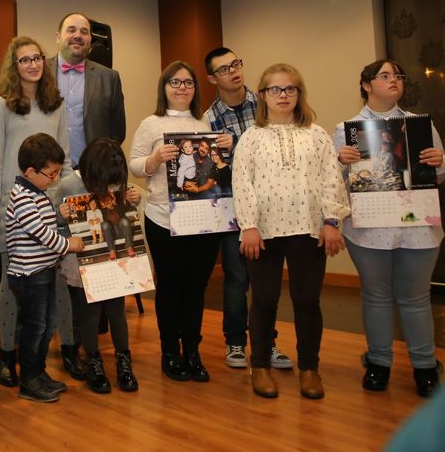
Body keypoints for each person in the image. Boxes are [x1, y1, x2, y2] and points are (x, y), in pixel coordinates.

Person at [333, 59, 445, 397]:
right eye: (384, 76)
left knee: (416, 298)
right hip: (368, 230)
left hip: (419, 228)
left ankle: (425, 367)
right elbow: (331, 181)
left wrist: (439, 163)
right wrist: (340, 163)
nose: (393, 80)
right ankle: (378, 363)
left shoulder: (419, 125)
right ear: (367, 84)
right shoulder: (347, 130)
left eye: (398, 76)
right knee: (376, 297)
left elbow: (440, 171)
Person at [232, 63, 349, 400]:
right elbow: (242, 185)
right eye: (275, 89)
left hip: (310, 230)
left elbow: (331, 179)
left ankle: (310, 368)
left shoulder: (317, 134)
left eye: (290, 89)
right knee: (265, 299)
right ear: (263, 95)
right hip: (264, 232)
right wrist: (249, 226)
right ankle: (261, 366)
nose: (283, 95)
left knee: (307, 300)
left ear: (299, 94)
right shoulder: (251, 138)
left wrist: (331, 222)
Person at [129, 61, 232, 383]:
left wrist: (227, 150)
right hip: (162, 218)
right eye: (175, 82)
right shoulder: (150, 124)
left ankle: (193, 351)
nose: (182, 87)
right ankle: (169, 351)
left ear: (195, 89)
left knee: (196, 288)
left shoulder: (206, 122)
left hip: (203, 219)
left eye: (188, 82)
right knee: (171, 286)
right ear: (164, 87)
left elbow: (218, 171)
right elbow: (134, 166)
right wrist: (155, 159)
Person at [0, 36, 75, 387]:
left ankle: (67, 349)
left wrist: (68, 202)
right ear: (15, 66)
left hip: (53, 207)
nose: (33, 64)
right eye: (25, 60)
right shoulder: (2, 106)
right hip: (14, 207)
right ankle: (7, 356)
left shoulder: (58, 105)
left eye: (37, 58)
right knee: (10, 284)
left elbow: (64, 159)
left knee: (59, 285)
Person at [203, 47, 292, 370]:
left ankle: (267, 343)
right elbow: (211, 171)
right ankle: (236, 342)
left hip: (271, 206)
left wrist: (237, 146)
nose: (234, 72)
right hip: (232, 208)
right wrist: (219, 151)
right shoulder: (209, 118)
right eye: (224, 69)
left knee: (266, 281)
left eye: (236, 64)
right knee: (237, 278)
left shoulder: (266, 103)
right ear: (213, 78)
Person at [55, 137, 141, 394]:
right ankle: (93, 360)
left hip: (113, 259)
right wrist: (61, 216)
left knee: (117, 312)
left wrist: (134, 198)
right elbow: (52, 223)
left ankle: (124, 361)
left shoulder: (115, 181)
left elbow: (126, 213)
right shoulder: (69, 185)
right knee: (88, 315)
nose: (108, 187)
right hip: (82, 261)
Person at [5, 133, 84, 402]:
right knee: (34, 328)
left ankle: (38, 373)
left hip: (44, 271)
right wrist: (69, 245)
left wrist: (58, 216)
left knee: (47, 326)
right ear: (30, 171)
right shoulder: (22, 197)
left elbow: (48, 224)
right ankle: (28, 380)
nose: (55, 179)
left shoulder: (37, 193)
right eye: (51, 174)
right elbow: (42, 233)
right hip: (29, 275)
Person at [49, 12, 126, 167]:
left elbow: (117, 133)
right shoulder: (39, 73)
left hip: (91, 174)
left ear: (90, 40)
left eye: (84, 32)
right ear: (58, 37)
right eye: (71, 30)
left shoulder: (109, 78)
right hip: (46, 174)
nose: (78, 35)